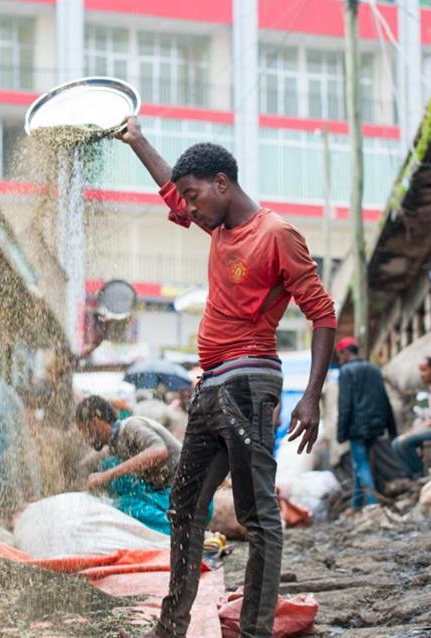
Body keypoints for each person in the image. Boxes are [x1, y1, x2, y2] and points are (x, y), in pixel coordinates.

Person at [119, 117, 336, 638]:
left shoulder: (277, 234)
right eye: (186, 201)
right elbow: (172, 188)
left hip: (249, 383)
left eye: (195, 197)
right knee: (183, 506)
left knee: (257, 513)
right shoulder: (217, 225)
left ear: (223, 183)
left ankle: (255, 631)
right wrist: (137, 140)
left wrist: (310, 397)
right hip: (211, 385)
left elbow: (323, 314)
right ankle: (170, 626)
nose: (188, 209)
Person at [75, 395, 182, 534]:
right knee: (110, 471)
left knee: (124, 506)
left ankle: (181, 531)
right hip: (167, 496)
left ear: (95, 423)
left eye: (83, 430)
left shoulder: (131, 426)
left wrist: (106, 476)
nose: (84, 438)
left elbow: (159, 451)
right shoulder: (115, 445)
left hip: (187, 496)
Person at [335, 338, 397, 508]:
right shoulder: (374, 369)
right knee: (360, 463)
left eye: (340, 355)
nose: (339, 359)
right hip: (376, 426)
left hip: (357, 427)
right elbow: (385, 399)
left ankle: (372, 503)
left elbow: (345, 405)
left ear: (345, 353)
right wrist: (392, 429)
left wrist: (340, 432)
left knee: (361, 464)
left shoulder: (346, 371)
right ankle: (356, 505)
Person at [391, 357, 431, 478]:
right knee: (396, 444)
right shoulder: (429, 391)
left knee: (404, 443)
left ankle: (421, 475)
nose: (421, 374)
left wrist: (417, 430)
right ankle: (411, 477)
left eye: (424, 370)